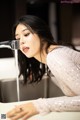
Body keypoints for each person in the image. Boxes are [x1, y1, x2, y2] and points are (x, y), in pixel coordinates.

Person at [7, 15, 80, 120]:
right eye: (18, 38)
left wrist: (39, 106)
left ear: (41, 34)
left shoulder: (55, 58)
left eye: (26, 34)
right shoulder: (53, 55)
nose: (21, 42)